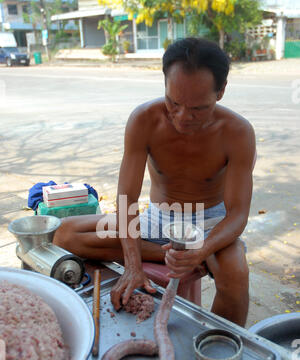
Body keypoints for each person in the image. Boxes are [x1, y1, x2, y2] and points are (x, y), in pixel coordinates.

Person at [54, 38, 256, 327]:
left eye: (198, 108)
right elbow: (127, 198)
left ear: (221, 91)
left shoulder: (237, 132)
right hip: (157, 221)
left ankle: (219, 346)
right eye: (174, 102)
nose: (183, 118)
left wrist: (203, 248)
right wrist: (132, 266)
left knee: (235, 275)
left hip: (209, 225)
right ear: (164, 84)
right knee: (65, 235)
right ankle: (177, 257)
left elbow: (237, 215)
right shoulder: (144, 120)